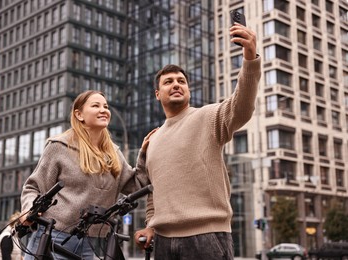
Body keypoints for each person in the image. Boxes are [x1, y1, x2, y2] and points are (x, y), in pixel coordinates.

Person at [134, 23, 261, 259]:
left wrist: (250, 59)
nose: (176, 84)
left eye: (181, 81)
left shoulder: (208, 116)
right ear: (157, 94)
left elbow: (241, 107)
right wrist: (151, 224)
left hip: (208, 239)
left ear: (189, 90)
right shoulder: (152, 140)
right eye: (169, 81)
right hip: (163, 243)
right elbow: (153, 192)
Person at [20, 90, 152, 260]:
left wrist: (144, 154)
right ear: (79, 114)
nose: (103, 110)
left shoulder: (114, 153)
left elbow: (136, 185)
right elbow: (33, 186)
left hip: (92, 242)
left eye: (106, 106)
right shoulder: (59, 147)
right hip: (54, 237)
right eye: (96, 106)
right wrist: (28, 208)